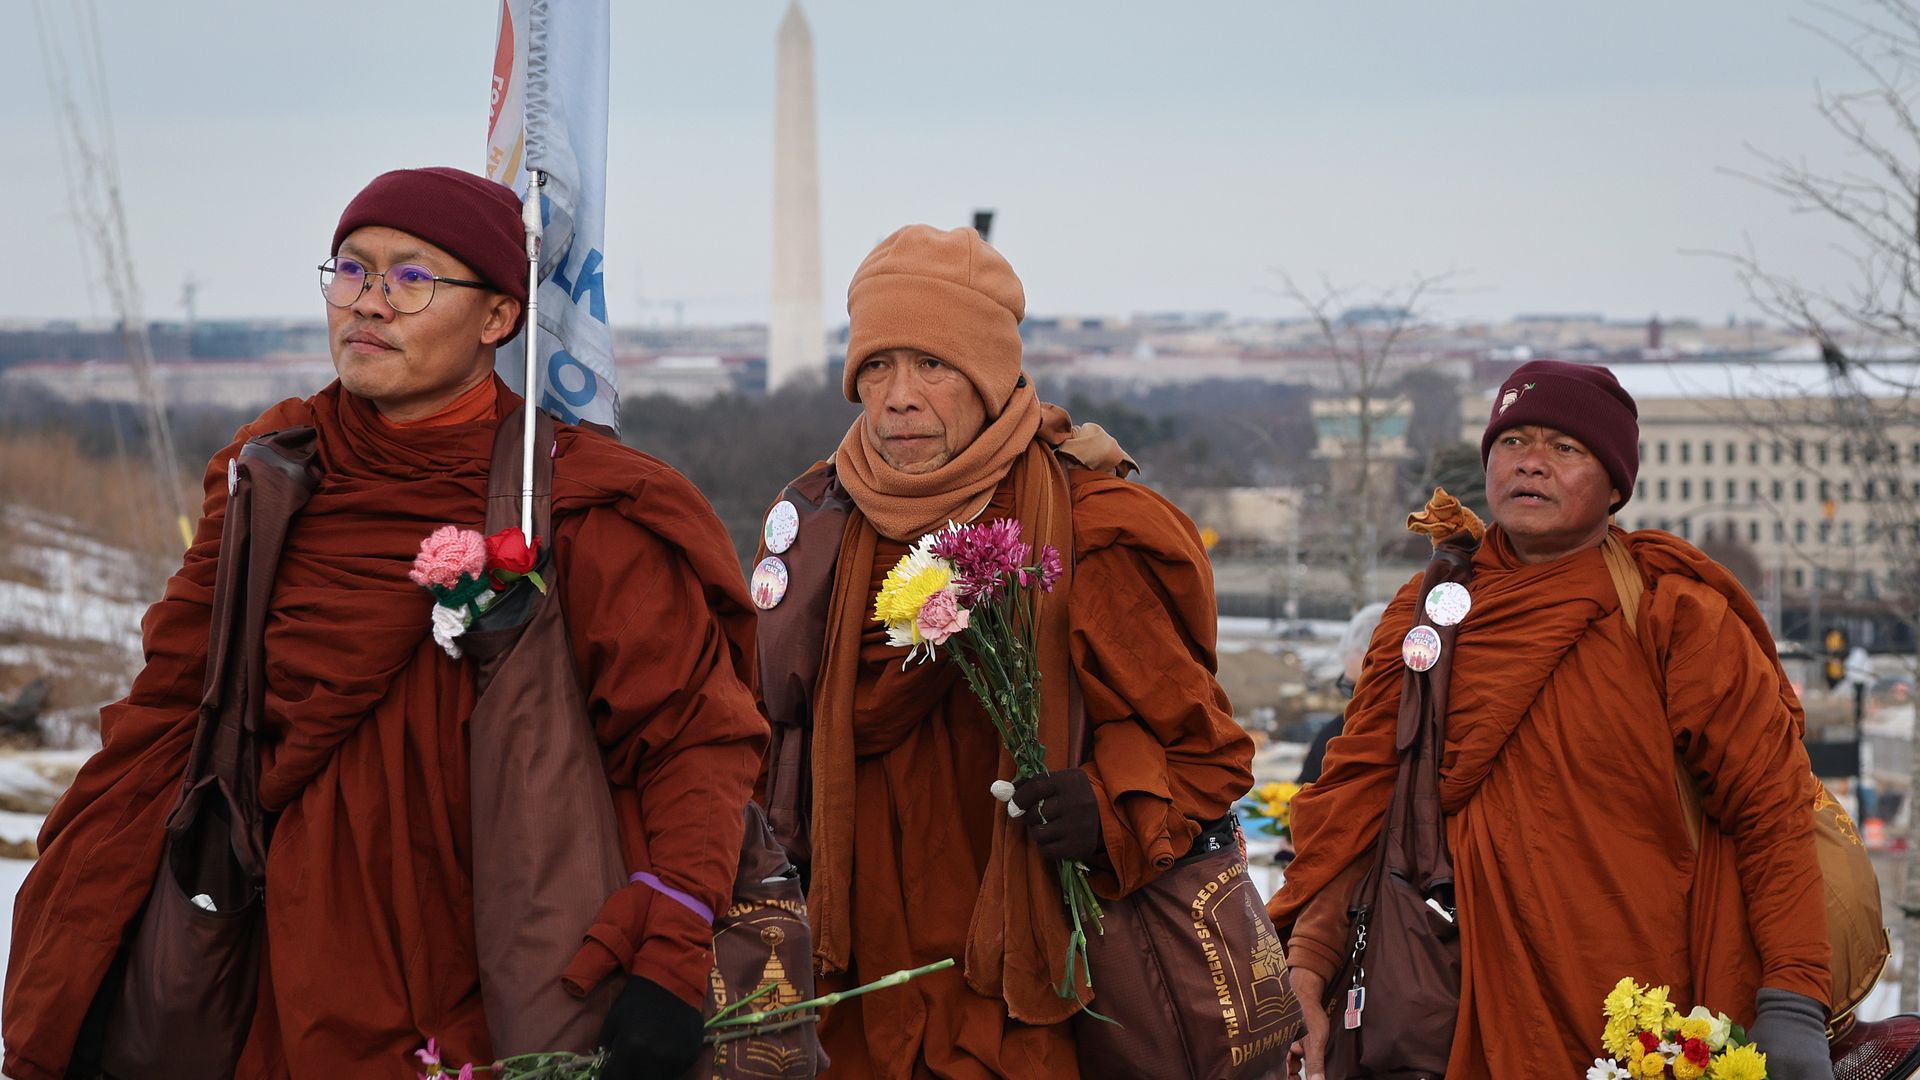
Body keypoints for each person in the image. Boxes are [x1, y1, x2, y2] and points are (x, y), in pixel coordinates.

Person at [3, 167, 769, 1080]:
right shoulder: (269, 479)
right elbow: (169, 709)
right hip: (263, 958)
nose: (369, 304)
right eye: (351, 272)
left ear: (497, 318)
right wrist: (86, 917)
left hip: (482, 958)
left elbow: (693, 739)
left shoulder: (570, 500)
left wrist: (674, 943)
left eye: (413, 279)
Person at [755, 224, 1255, 1077]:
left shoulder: (1089, 530)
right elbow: (757, 733)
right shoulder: (818, 528)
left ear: (989, 375)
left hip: (1027, 1006)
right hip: (848, 1002)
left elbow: (1207, 755)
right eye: (877, 366)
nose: (898, 398)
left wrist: (1108, 811)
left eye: (933, 366)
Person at [1271, 359, 1835, 1079]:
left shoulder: (1673, 614)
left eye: (1564, 449)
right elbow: (1359, 811)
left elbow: (1772, 813)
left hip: (1640, 1017)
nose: (1531, 464)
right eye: (1513, 443)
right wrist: (1309, 964)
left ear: (1613, 485)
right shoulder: (1426, 614)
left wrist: (1791, 1000)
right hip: (1448, 1009)